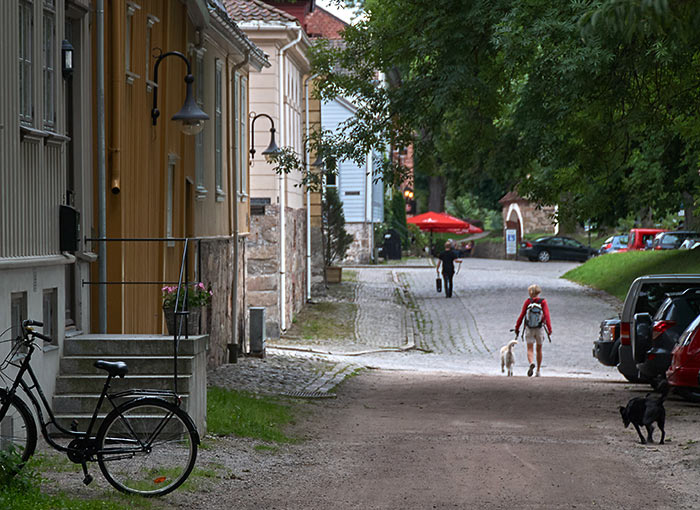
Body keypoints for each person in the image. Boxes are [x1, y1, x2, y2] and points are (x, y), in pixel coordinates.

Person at [514, 284, 552, 377]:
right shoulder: (543, 302)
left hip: (529, 328)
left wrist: (517, 328)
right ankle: (538, 370)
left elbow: (522, 315)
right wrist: (549, 329)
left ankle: (531, 362)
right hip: (539, 328)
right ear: (538, 292)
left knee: (530, 349)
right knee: (539, 350)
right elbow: (546, 316)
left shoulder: (528, 302)